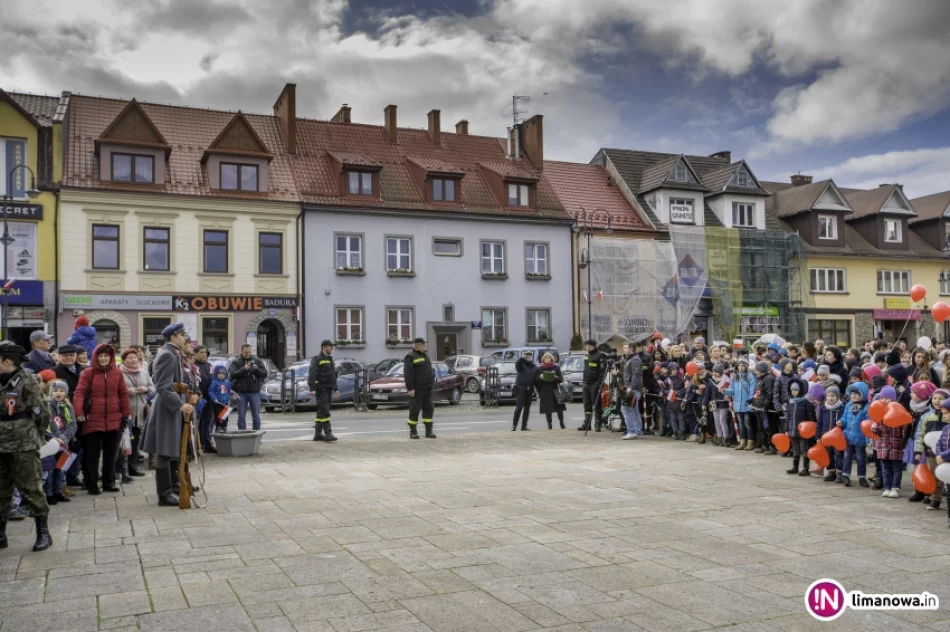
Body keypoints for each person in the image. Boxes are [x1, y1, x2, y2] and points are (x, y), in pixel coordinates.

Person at [0, 342, 53, 552]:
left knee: (31, 487)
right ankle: (1, 533)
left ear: (6, 361)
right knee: (1, 489)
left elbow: (41, 412)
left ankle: (43, 533)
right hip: (1, 443)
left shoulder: (27, 380)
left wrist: (36, 436)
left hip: (23, 443)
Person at [141, 323, 192, 507]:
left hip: (173, 408)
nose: (185, 338)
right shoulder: (167, 355)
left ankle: (175, 487)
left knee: (173, 449)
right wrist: (180, 404)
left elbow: (176, 382)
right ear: (173, 337)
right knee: (164, 450)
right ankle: (164, 494)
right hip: (166, 410)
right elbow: (162, 387)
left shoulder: (174, 354)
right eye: (182, 335)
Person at [73, 344, 131, 495]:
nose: (103, 358)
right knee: (91, 455)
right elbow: (79, 393)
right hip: (92, 420)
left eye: (106, 356)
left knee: (111, 455)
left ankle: (108, 483)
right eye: (101, 356)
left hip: (113, 420)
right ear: (96, 357)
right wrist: (78, 411)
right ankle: (92, 485)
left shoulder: (117, 374)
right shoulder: (88, 373)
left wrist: (125, 413)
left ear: (111, 357)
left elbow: (123, 395)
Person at [118, 348, 153, 477]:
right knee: (123, 441)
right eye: (130, 358)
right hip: (125, 413)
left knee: (135, 441)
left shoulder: (143, 372)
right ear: (123, 360)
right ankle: (122, 470)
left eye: (135, 358)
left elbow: (153, 388)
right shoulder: (119, 373)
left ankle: (133, 467)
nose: (133, 360)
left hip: (140, 413)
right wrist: (126, 391)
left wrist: (146, 389)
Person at [44, 380, 77, 505]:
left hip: (64, 442)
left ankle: (58, 491)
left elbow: (72, 424)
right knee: (50, 468)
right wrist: (56, 438)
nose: (58, 393)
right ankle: (49, 493)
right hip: (51, 442)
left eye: (62, 391)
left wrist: (64, 438)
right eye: (56, 391)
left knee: (61, 467)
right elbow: (49, 424)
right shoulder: (47, 406)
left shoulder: (68, 407)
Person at [228, 344, 267, 431]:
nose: (248, 354)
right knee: (241, 416)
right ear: (242, 351)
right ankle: (242, 435)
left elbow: (264, 374)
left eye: (249, 352)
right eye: (246, 352)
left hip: (254, 391)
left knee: (256, 416)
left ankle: (256, 435)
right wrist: (244, 369)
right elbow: (233, 375)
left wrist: (256, 369)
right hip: (241, 392)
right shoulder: (236, 362)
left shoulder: (257, 360)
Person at [838, 382, 870, 487]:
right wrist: (841, 422)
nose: (853, 396)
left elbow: (868, 424)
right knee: (847, 457)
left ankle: (861, 477)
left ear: (863, 394)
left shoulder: (866, 407)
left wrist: (868, 440)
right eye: (852, 394)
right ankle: (845, 475)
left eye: (856, 393)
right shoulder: (848, 405)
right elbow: (845, 417)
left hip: (860, 437)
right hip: (848, 436)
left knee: (861, 458)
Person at [404, 338, 435, 439]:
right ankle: (413, 431)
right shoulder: (410, 357)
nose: (425, 347)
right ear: (418, 346)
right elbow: (408, 374)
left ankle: (428, 431)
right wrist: (410, 388)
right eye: (424, 345)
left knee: (429, 409)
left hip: (427, 389)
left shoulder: (425, 356)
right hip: (417, 389)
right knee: (415, 410)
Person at [308, 340, 339, 442]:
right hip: (321, 388)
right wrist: (312, 388)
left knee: (321, 410)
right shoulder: (317, 359)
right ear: (324, 347)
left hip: (329, 388)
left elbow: (333, 375)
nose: (332, 348)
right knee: (325, 410)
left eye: (332, 346)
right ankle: (328, 433)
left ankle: (317, 434)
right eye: (330, 346)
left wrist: (336, 388)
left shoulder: (330, 359)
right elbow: (313, 373)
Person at [784, 376, 814, 476]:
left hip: (803, 432)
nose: (794, 392)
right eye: (792, 390)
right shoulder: (790, 403)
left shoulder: (806, 403)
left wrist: (811, 430)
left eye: (796, 390)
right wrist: (787, 429)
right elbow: (788, 417)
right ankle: (795, 467)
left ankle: (806, 468)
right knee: (796, 449)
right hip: (793, 430)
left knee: (804, 449)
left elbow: (811, 418)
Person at [724, 358, 756, 450]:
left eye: (743, 365)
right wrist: (724, 391)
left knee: (747, 424)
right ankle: (742, 442)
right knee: (741, 424)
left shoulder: (750, 376)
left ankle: (750, 442)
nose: (741, 367)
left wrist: (750, 399)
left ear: (746, 366)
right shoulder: (735, 376)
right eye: (739, 365)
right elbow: (732, 390)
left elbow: (752, 390)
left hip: (746, 403)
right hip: (737, 404)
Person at [817, 385, 844, 481]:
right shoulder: (823, 408)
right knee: (828, 453)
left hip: (837, 437)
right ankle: (831, 471)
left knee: (838, 454)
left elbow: (844, 421)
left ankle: (840, 472)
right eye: (828, 396)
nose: (830, 398)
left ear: (837, 397)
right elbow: (819, 423)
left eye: (833, 396)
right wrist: (818, 436)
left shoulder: (841, 408)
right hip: (825, 436)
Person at [578, 339, 606, 432]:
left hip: (595, 383)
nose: (586, 347)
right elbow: (586, 369)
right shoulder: (587, 356)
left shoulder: (600, 355)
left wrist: (599, 383)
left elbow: (602, 372)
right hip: (586, 383)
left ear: (592, 346)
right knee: (587, 404)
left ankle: (598, 422)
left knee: (596, 403)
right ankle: (587, 423)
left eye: (587, 346)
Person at [534, 352, 565, 430]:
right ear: (543, 359)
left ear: (551, 359)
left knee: (559, 407)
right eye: (546, 358)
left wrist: (555, 377)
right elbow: (535, 380)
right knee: (548, 408)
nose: (547, 359)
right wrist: (540, 377)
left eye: (549, 358)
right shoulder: (540, 368)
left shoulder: (556, 367)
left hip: (555, 389)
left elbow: (561, 379)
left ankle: (562, 423)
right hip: (545, 390)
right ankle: (549, 424)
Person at [621, 342, 643, 440]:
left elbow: (636, 374)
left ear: (630, 349)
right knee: (634, 410)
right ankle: (637, 430)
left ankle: (631, 431)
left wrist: (631, 387)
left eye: (626, 348)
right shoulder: (630, 359)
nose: (624, 350)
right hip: (631, 388)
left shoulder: (635, 360)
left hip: (633, 389)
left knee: (627, 409)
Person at [512, 351, 536, 431]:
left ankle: (524, 426)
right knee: (519, 407)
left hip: (529, 389)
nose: (529, 357)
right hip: (521, 388)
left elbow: (536, 377)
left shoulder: (533, 366)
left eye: (530, 356)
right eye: (527, 355)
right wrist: (523, 358)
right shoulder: (521, 365)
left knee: (527, 408)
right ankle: (514, 425)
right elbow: (518, 362)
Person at [209, 366, 232, 431]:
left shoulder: (227, 382)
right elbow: (211, 391)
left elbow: (228, 391)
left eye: (223, 374)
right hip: (218, 402)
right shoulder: (214, 383)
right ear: (217, 374)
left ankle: (224, 425)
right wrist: (214, 398)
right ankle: (218, 426)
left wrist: (231, 395)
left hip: (225, 402)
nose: (221, 375)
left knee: (225, 415)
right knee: (218, 415)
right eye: (219, 374)